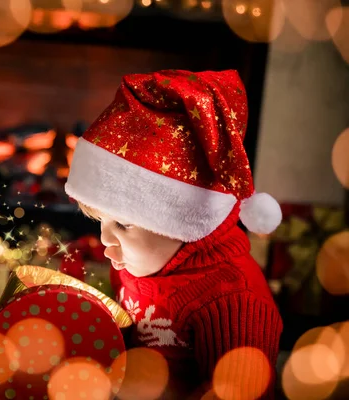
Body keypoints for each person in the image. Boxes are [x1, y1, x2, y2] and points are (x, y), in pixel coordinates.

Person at [64, 69, 283, 399]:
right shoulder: (138, 263)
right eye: (101, 222)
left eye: (123, 224)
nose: (106, 241)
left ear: (181, 222)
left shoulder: (233, 300)